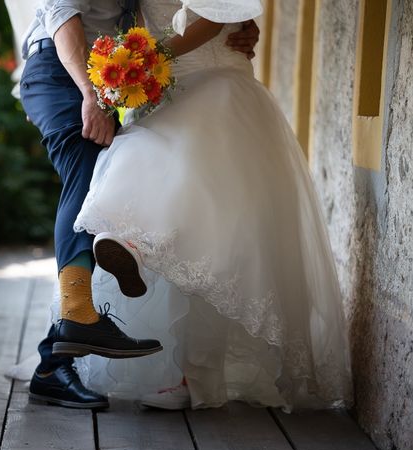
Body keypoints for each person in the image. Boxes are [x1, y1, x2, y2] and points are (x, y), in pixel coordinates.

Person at [74, 0, 354, 411]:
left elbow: (218, 13)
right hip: (161, 88)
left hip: (214, 82)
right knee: (155, 176)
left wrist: (150, 56)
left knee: (214, 236)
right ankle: (132, 250)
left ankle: (194, 372)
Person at [16, 0, 260, 409]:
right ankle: (77, 313)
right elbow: (61, 15)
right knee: (86, 169)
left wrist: (235, 21)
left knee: (120, 176)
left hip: (108, 79)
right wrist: (89, 95)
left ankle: (52, 365)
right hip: (65, 73)